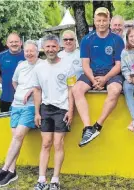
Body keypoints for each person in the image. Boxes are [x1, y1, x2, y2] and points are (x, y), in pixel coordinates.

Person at [72, 7, 125, 147]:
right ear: (94, 21)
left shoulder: (117, 40)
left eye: (104, 20)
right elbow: (85, 64)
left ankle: (97, 126)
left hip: (111, 73)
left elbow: (118, 65)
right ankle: (87, 127)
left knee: (114, 90)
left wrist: (105, 78)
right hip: (92, 73)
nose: (101, 23)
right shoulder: (87, 40)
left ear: (109, 21)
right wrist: (94, 79)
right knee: (76, 90)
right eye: (98, 20)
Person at [0, 40, 40, 187]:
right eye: (27, 51)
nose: (29, 53)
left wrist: (31, 91)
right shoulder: (21, 65)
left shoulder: (43, 66)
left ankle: (4, 169)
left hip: (30, 107)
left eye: (32, 51)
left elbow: (44, 86)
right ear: (23, 52)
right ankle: (12, 172)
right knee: (16, 139)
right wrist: (21, 93)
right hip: (16, 106)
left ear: (37, 52)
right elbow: (14, 82)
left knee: (18, 136)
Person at [33, 34, 76, 190]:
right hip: (45, 108)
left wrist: (70, 111)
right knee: (45, 144)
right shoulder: (38, 67)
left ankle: (55, 180)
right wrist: (37, 112)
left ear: (59, 47)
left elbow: (72, 89)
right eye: (48, 46)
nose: (51, 49)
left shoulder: (68, 65)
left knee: (58, 144)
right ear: (43, 48)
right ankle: (41, 180)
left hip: (62, 109)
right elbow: (37, 91)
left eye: (53, 46)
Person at [0, 33, 25, 112]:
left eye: (16, 41)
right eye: (11, 42)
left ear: (21, 43)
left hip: (25, 99)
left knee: (24, 123)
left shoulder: (27, 55)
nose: (14, 44)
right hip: (6, 98)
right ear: (7, 44)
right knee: (6, 123)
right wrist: (8, 84)